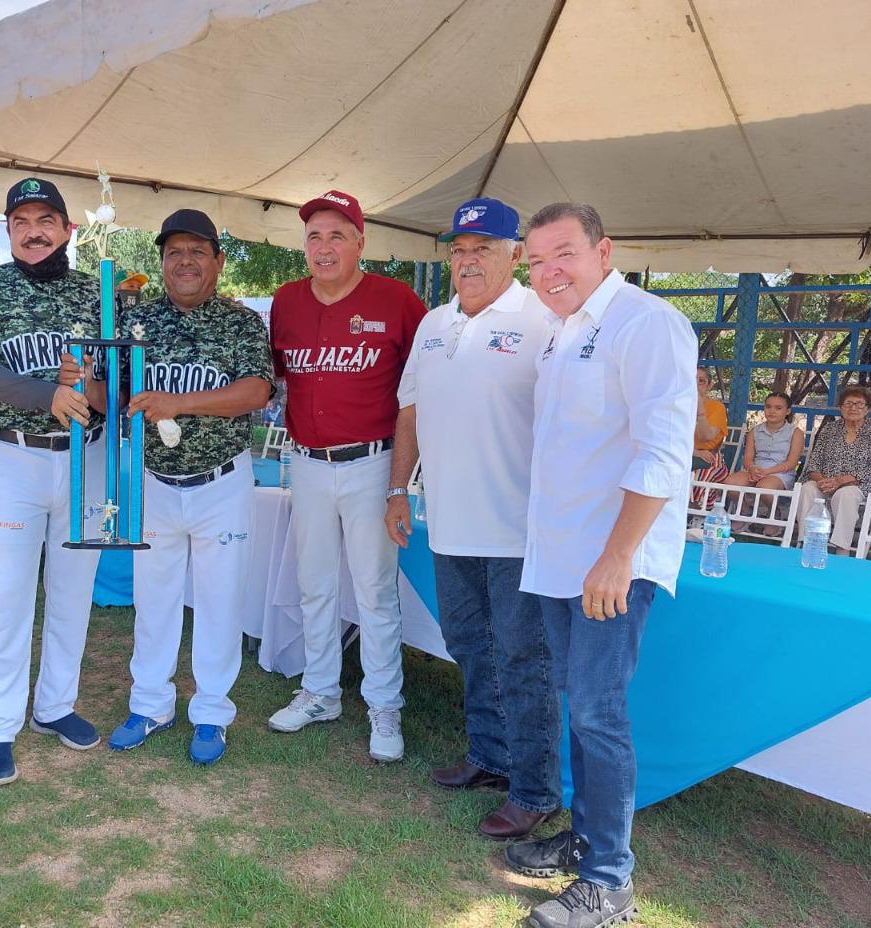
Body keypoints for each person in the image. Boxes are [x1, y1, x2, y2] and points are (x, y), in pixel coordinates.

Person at [506, 203, 696, 928]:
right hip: (560, 559)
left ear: (603, 250)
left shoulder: (645, 323)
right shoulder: (561, 332)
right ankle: (587, 841)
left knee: (596, 711)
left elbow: (663, 452)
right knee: (577, 707)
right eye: (536, 260)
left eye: (563, 255)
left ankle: (610, 882)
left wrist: (619, 557)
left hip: (610, 563)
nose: (547, 271)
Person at [386, 198, 559, 839]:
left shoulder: (544, 319)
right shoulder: (434, 324)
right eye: (459, 249)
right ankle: (491, 758)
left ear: (515, 254)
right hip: (450, 522)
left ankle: (536, 791)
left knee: (523, 659)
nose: (467, 260)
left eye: (483, 248)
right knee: (468, 646)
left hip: (518, 529)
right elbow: (409, 413)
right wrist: (397, 489)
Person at [0, 177, 108, 787]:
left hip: (84, 458)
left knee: (72, 591)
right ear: (8, 231)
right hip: (15, 459)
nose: (34, 231)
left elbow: (114, 381)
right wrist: (52, 394)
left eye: (46, 220)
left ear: (68, 229)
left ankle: (55, 705)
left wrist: (87, 385)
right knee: (7, 596)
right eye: (21, 221)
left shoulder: (98, 295)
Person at [106, 209, 273, 766]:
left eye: (197, 251)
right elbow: (114, 390)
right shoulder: (137, 324)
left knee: (220, 601)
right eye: (174, 250)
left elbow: (255, 391)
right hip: (154, 481)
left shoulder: (241, 323)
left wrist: (179, 403)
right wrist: (86, 378)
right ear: (161, 262)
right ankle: (151, 703)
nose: (185, 260)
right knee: (153, 599)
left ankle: (210, 711)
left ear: (218, 263)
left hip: (220, 481)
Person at [267, 190, 427, 762]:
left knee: (375, 591)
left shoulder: (397, 299)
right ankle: (320, 691)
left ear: (361, 242)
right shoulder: (285, 301)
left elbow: (419, 392)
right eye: (314, 236)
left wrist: (399, 484)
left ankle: (384, 705)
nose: (325, 246)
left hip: (373, 461)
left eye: (338, 235)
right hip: (306, 461)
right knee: (314, 583)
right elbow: (275, 380)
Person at [795, 386, 871, 555]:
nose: (853, 408)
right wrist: (822, 480)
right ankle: (807, 542)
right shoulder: (830, 429)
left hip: (863, 485)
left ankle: (842, 548)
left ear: (868, 409)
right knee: (807, 488)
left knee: (846, 494)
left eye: (859, 404)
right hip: (826, 482)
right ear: (841, 408)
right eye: (848, 403)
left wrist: (841, 481)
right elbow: (814, 463)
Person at [721, 392, 803, 533]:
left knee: (764, 487)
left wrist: (767, 472)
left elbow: (791, 462)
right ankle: (744, 511)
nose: (772, 411)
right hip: (756, 470)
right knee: (729, 483)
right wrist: (753, 469)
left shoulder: (795, 432)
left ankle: (774, 514)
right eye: (768, 407)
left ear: (787, 411)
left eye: (778, 408)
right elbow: (747, 458)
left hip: (781, 472)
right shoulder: (755, 431)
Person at [692, 368, 728, 470]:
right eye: (691, 380)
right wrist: (694, 452)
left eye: (701, 381)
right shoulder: (677, 406)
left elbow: (706, 437)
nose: (695, 384)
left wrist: (699, 404)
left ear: (710, 385)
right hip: (682, 453)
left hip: (707, 458)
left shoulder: (717, 407)